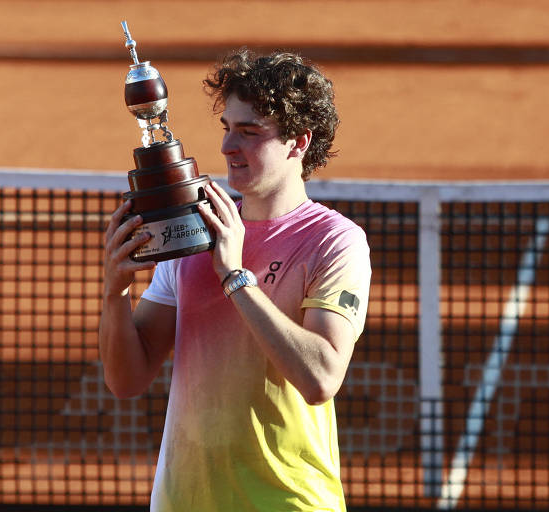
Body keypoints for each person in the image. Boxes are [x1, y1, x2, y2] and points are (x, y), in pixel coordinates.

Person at [99, 48, 371, 511]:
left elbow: (321, 377)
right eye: (227, 128)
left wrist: (236, 277)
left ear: (298, 142)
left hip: (287, 503)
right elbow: (127, 378)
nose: (228, 147)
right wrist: (114, 291)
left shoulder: (334, 242)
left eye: (249, 133)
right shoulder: (193, 231)